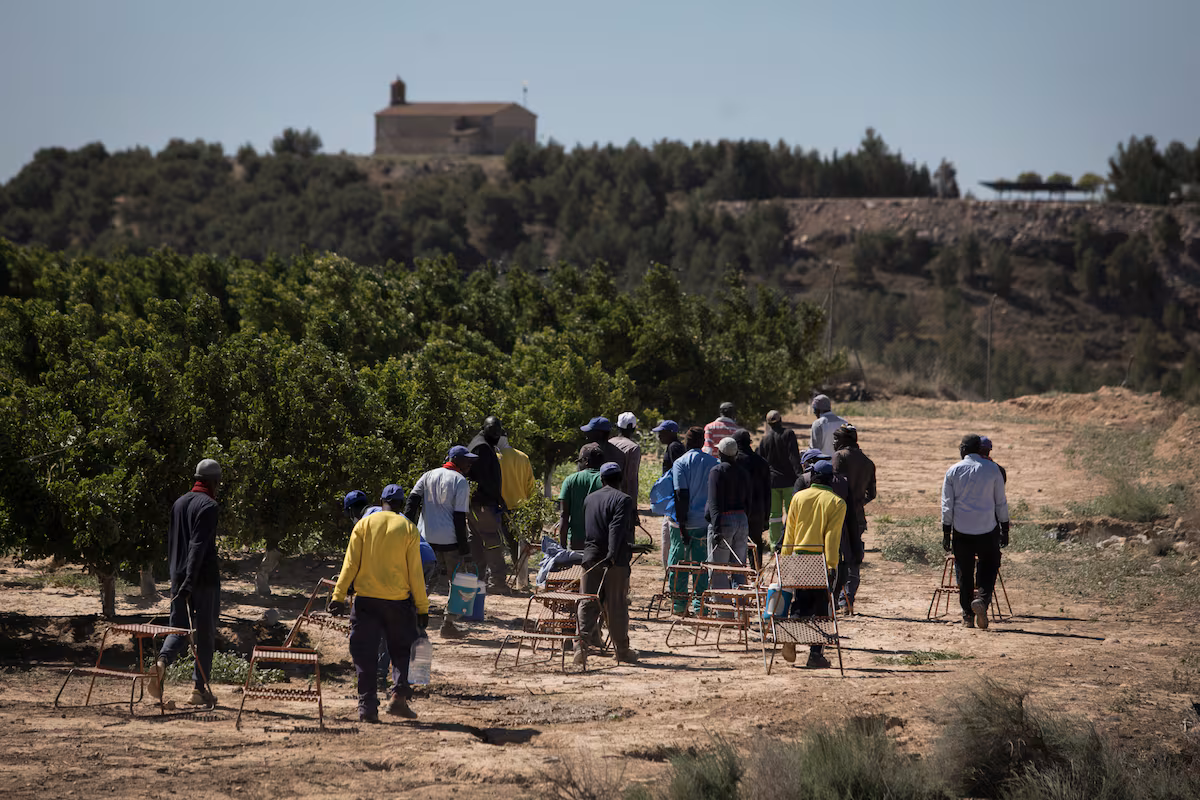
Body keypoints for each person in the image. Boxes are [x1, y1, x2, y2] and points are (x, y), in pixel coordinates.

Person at [328, 483, 429, 723]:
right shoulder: (408, 528)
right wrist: (423, 607)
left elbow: (350, 564)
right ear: (401, 504)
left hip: (366, 603)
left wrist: (338, 596)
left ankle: (367, 709)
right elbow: (415, 572)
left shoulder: (363, 525)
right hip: (398, 603)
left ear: (381, 500)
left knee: (365, 654)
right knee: (401, 652)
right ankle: (398, 697)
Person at [148, 459, 222, 707]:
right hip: (202, 579)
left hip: (177, 576)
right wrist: (191, 582)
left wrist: (179, 580)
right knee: (206, 634)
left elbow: (175, 544)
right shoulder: (209, 506)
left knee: (178, 628)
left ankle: (161, 662)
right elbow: (197, 546)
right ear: (213, 482)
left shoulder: (179, 503)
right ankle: (198, 690)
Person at [779, 460, 847, 669]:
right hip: (820, 560)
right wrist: (832, 565)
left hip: (798, 557)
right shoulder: (837, 502)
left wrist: (785, 559)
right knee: (822, 609)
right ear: (831, 480)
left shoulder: (799, 497)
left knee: (799, 603)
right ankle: (815, 655)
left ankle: (790, 638)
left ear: (813, 477)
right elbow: (832, 536)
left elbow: (789, 532)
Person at [405, 446, 476, 640]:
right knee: (458, 582)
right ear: (455, 460)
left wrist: (407, 530)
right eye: (466, 460)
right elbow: (460, 518)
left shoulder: (428, 475)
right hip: (450, 541)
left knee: (426, 579)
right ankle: (449, 624)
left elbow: (411, 502)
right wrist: (465, 549)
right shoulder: (460, 481)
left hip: (426, 540)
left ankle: (408, 616)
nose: (469, 463)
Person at [941, 433, 1010, 630]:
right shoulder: (993, 470)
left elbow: (947, 505)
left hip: (962, 530)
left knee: (964, 571)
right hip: (988, 529)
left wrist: (946, 532)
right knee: (989, 565)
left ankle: (967, 616)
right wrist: (1004, 528)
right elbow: (1000, 502)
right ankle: (982, 599)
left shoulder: (953, 471)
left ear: (963, 449)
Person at [575, 462, 640, 666]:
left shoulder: (589, 499)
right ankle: (621, 650)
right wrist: (613, 554)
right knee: (616, 605)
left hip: (591, 558)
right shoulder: (624, 499)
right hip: (614, 561)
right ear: (620, 479)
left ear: (601, 479)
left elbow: (594, 530)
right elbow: (615, 527)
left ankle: (581, 648)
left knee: (587, 602)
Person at [669, 426, 719, 614]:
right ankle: (701, 607)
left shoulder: (680, 463)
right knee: (702, 567)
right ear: (701, 442)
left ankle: (679, 606)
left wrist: (682, 526)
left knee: (680, 565)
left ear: (687, 442)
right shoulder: (713, 462)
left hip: (684, 522)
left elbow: (681, 495)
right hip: (705, 524)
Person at [831, 424, 877, 615]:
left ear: (844, 440)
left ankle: (834, 601)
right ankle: (848, 601)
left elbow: (834, 485)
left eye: (836, 439)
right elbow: (872, 494)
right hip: (857, 517)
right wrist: (857, 503)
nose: (833, 443)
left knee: (836, 558)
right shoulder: (868, 462)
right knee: (853, 559)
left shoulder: (839, 457)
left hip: (838, 515)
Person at [468, 416, 511, 595]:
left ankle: (478, 581)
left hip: (479, 504)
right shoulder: (482, 448)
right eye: (492, 431)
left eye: (498, 432)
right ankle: (497, 582)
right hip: (483, 505)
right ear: (484, 428)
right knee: (492, 542)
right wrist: (497, 499)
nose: (495, 435)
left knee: (478, 542)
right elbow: (484, 480)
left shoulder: (482, 444)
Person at [706, 438, 751, 592]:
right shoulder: (743, 472)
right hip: (741, 519)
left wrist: (717, 529)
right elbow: (748, 501)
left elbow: (714, 504)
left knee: (718, 569)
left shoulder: (717, 472)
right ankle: (742, 606)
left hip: (723, 521)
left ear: (720, 453)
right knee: (739, 567)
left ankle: (723, 611)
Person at [757, 410, 804, 552]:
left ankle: (774, 545)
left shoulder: (765, 439)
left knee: (774, 517)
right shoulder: (788, 434)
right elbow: (794, 456)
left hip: (772, 483)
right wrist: (800, 476)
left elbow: (761, 461)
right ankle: (791, 543)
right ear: (781, 420)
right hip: (790, 482)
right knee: (792, 514)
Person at [732, 430, 770, 560]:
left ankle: (738, 576)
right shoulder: (763, 463)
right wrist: (766, 517)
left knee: (736, 545)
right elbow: (767, 493)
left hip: (737, 511)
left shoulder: (734, 462)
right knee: (756, 544)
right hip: (758, 511)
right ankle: (757, 575)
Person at [559, 443, 605, 550]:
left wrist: (562, 546)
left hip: (577, 542)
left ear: (586, 461)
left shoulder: (570, 480)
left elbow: (564, 515)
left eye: (580, 461)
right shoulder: (607, 480)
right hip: (602, 542)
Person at [654, 420, 686, 570]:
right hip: (671, 497)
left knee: (669, 534)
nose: (659, 435)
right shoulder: (672, 446)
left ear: (671, 433)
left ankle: (671, 568)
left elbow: (677, 472)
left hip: (674, 498)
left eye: (662, 432)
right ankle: (669, 567)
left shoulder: (674, 447)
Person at [610, 412, 642, 513]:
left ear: (618, 426)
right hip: (621, 500)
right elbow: (631, 480)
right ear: (633, 428)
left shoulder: (609, 442)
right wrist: (633, 508)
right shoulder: (633, 448)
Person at [497, 436, 539, 511]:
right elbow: (530, 485)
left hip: (501, 507)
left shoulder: (496, 457)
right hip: (521, 507)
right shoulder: (523, 457)